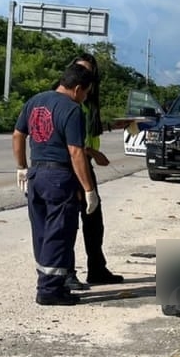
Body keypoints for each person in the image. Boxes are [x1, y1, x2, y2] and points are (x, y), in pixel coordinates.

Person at [13, 64, 100, 306]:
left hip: (36, 174)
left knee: (41, 232)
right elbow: (75, 152)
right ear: (78, 88)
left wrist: (21, 166)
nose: (84, 98)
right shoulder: (72, 110)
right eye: (85, 93)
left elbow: (18, 135)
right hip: (59, 178)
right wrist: (89, 189)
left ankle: (52, 283)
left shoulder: (35, 101)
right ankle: (49, 290)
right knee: (59, 234)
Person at [66, 52, 124, 289]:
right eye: (81, 70)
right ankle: (66, 273)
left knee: (94, 223)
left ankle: (97, 269)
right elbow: (72, 144)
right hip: (70, 165)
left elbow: (89, 130)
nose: (85, 75)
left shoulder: (88, 99)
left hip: (85, 163)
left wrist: (111, 125)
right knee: (68, 224)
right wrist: (92, 153)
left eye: (89, 72)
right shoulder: (68, 101)